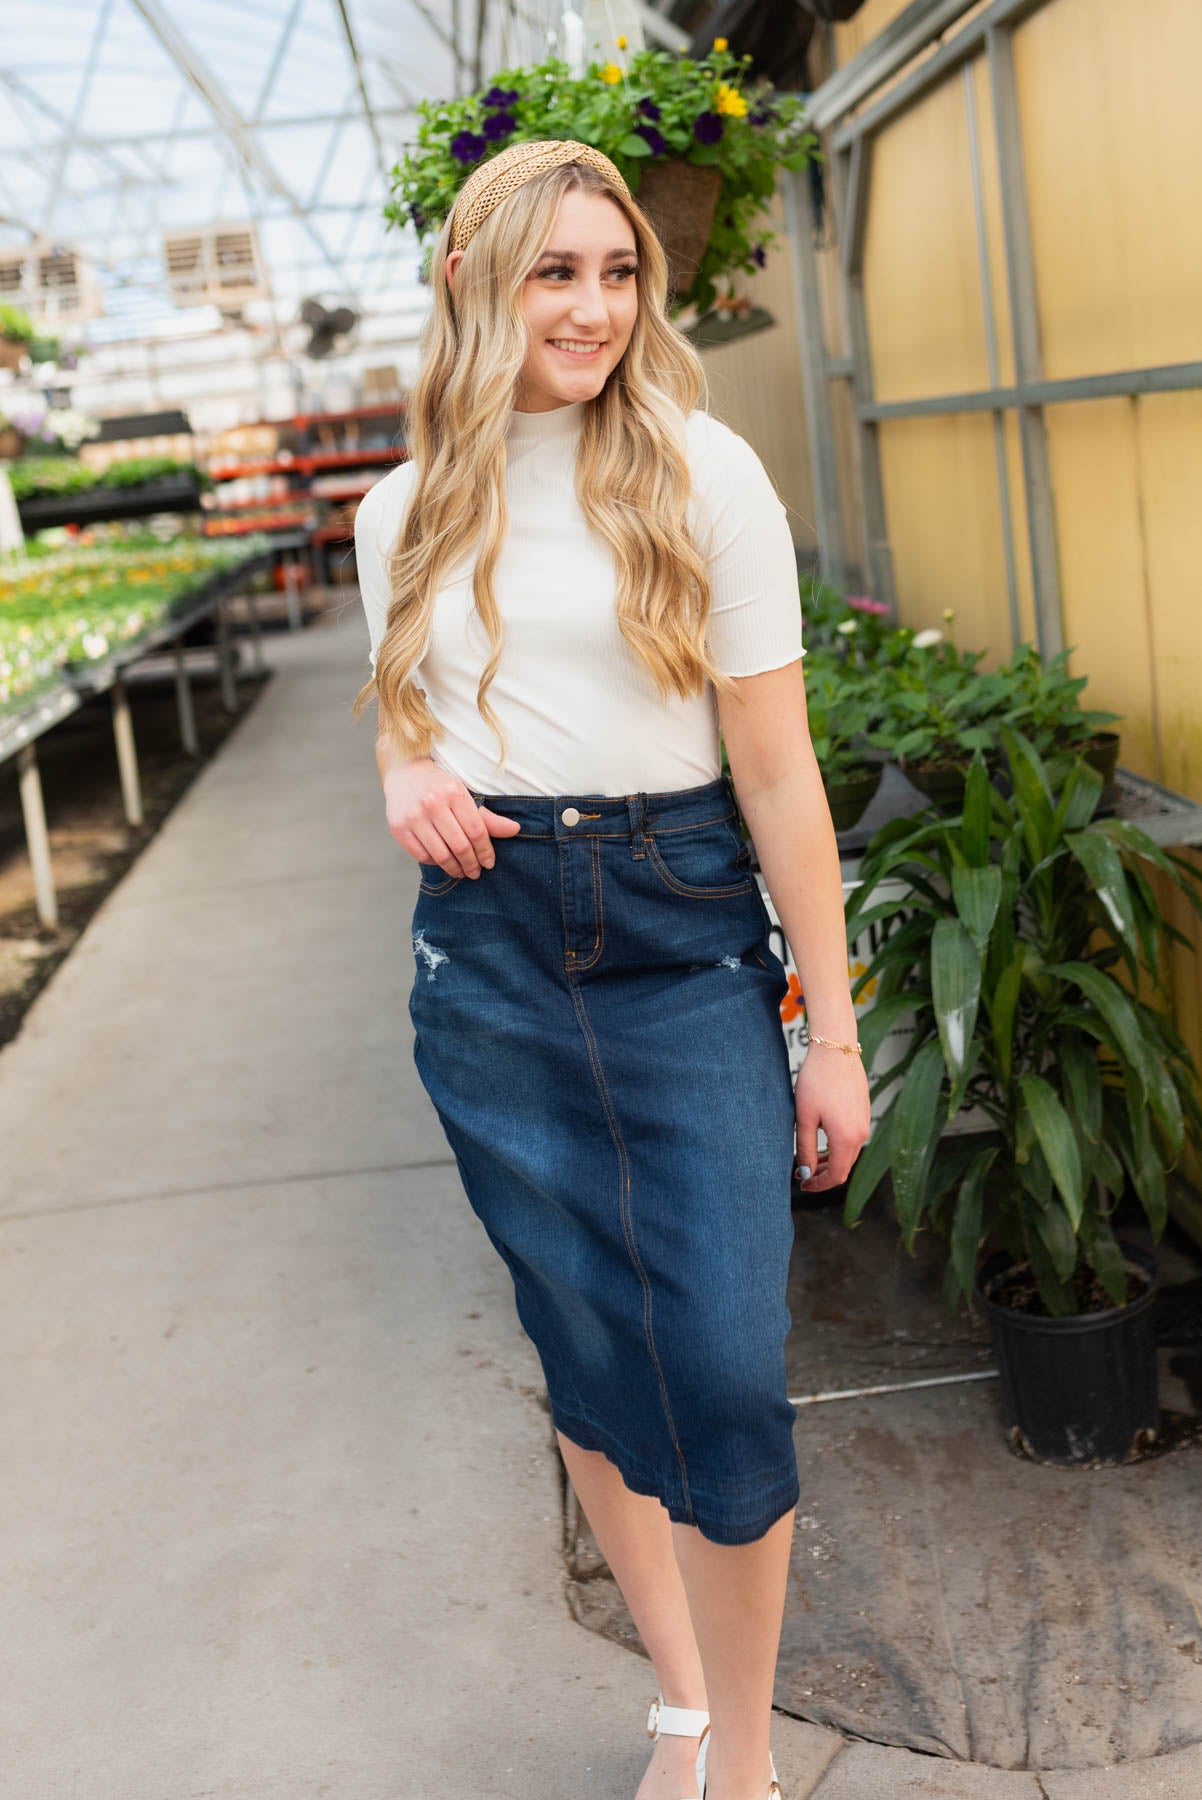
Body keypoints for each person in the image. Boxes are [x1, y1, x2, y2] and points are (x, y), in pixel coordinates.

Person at [353, 138, 870, 1800]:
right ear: (468, 279)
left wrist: (831, 1035)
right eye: (553, 271)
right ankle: (681, 1705)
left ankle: (746, 1751)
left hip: (676, 932)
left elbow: (777, 773)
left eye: (616, 270)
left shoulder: (699, 472)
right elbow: (406, 726)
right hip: (491, 960)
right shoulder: (399, 508)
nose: (591, 307)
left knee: (718, 1361)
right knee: (584, 1344)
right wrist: (400, 778)